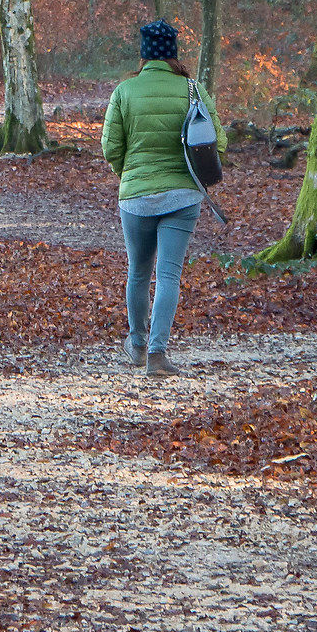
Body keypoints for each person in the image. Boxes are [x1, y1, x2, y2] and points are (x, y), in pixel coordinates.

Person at [101, 20, 205, 378]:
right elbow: (217, 141)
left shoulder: (124, 91)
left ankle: (137, 344)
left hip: (136, 197)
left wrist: (128, 174)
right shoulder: (192, 90)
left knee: (139, 271)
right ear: (173, 53)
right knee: (169, 274)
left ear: (144, 53)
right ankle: (158, 354)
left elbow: (110, 147)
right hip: (183, 196)